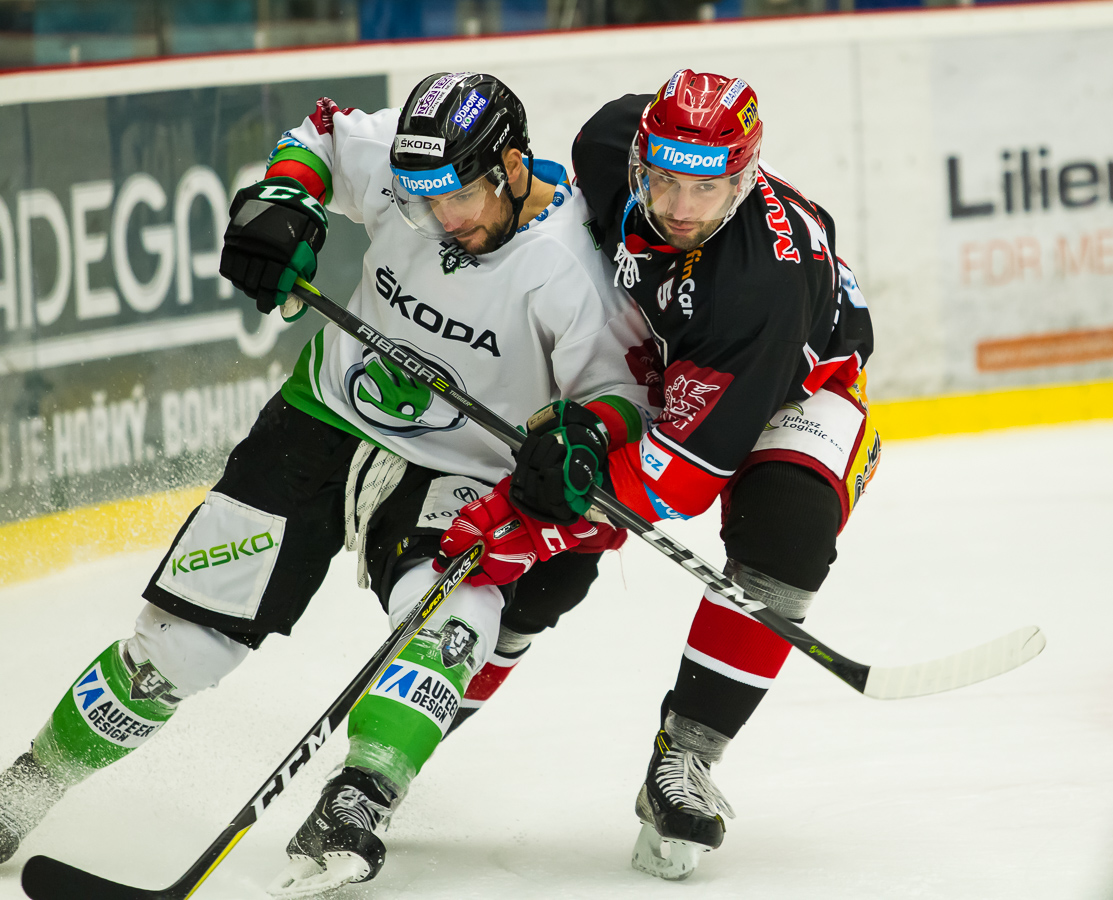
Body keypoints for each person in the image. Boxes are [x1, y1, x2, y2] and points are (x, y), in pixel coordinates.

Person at [0, 72, 655, 896]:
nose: (441, 222)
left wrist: (583, 435)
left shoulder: (575, 268)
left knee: (457, 615)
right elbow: (322, 134)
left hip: (458, 468)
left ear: (513, 166)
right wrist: (284, 200)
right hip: (320, 422)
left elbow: (620, 397)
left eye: (459, 200)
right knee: (179, 648)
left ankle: (360, 798)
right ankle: (23, 791)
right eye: (420, 204)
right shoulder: (412, 168)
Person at [440, 70, 879, 880]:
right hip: (651, 364)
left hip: (790, 382)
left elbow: (681, 480)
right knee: (547, 573)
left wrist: (530, 519)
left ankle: (686, 758)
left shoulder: (761, 284)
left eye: (707, 189)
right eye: (665, 180)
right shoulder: (609, 139)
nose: (680, 207)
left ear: (744, 180)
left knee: (790, 526)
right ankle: (407, 733)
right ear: (639, 155)